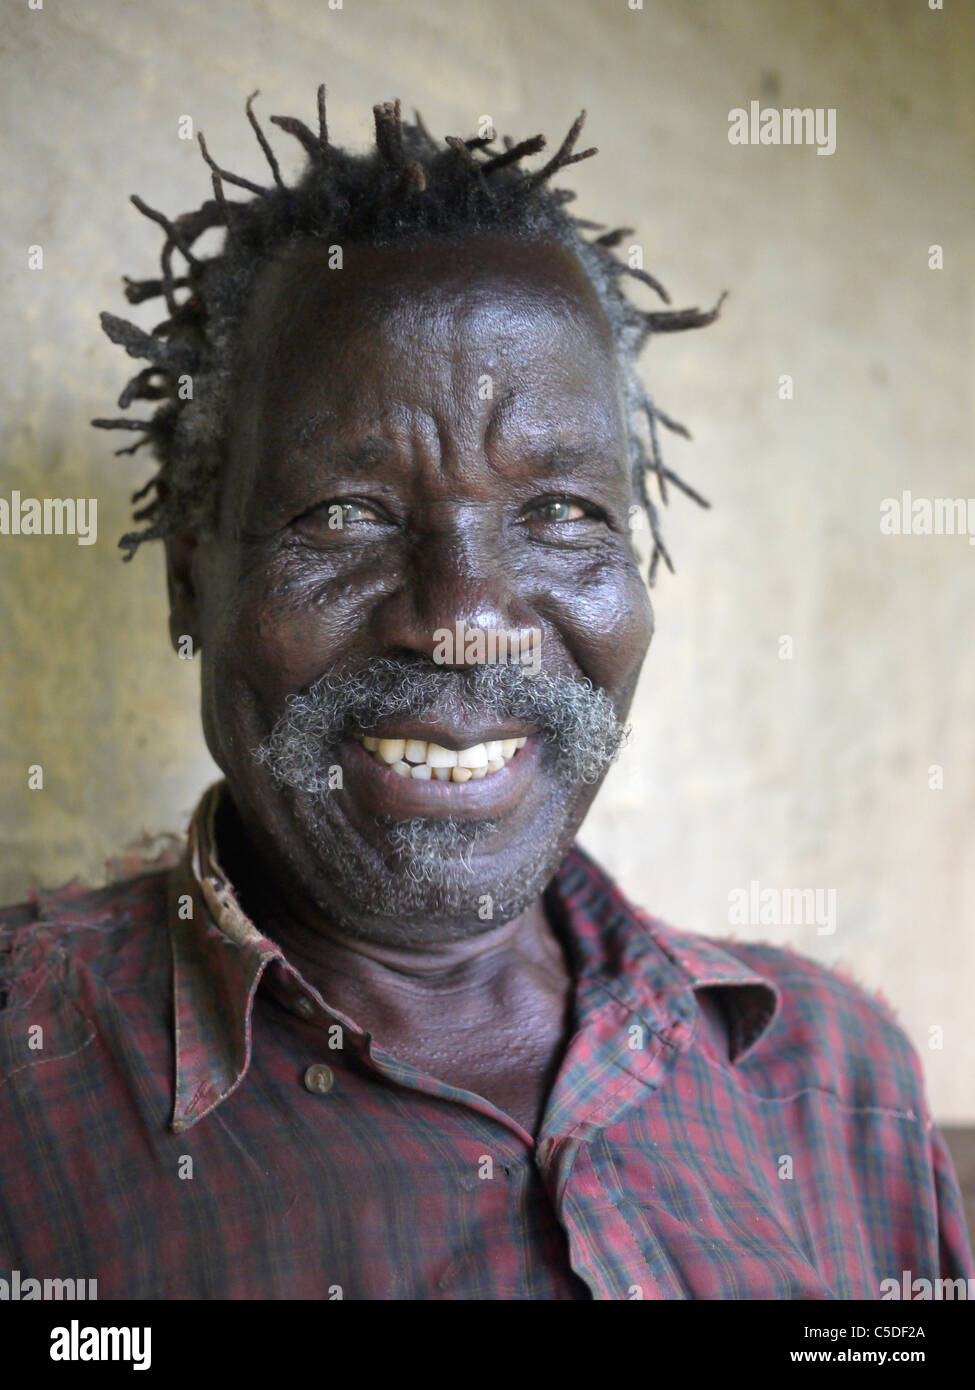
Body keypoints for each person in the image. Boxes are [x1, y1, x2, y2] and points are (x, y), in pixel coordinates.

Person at [0, 87, 970, 1301]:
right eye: (345, 514)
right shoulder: (26, 1088)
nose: (465, 620)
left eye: (561, 513)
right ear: (193, 586)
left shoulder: (832, 1078)